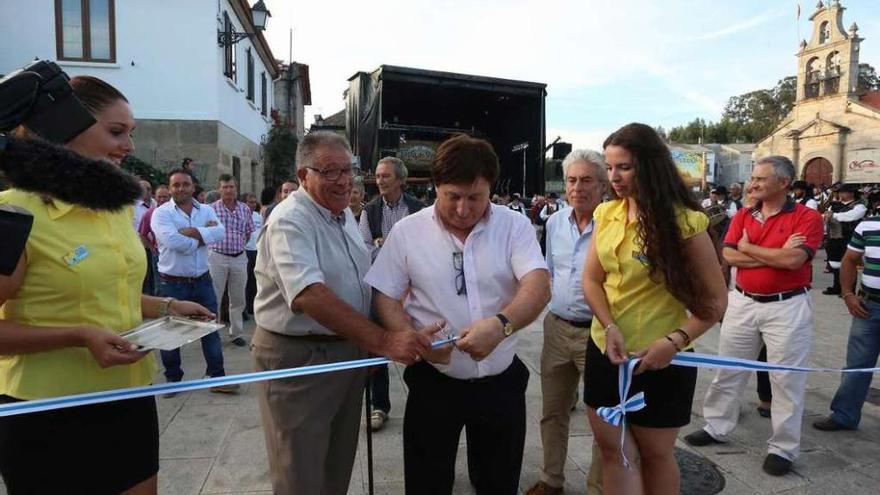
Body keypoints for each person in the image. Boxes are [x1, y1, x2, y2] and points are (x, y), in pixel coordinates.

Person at [0, 76, 213, 495]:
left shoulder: (113, 209)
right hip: (47, 410)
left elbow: (105, 293)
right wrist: (79, 336)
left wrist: (168, 306)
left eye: (131, 134)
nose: (129, 147)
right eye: (116, 132)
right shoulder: (12, 215)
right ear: (62, 131)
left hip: (128, 397)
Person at [252, 131, 439, 495]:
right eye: (329, 171)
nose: (343, 180)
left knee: (336, 467)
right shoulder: (290, 220)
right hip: (302, 360)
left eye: (347, 170)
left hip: (344, 352)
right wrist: (384, 340)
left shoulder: (342, 214)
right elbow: (309, 295)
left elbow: (361, 280)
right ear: (304, 175)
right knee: (301, 476)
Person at [365, 134, 550, 495]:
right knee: (427, 481)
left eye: (475, 198)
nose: (464, 209)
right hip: (435, 379)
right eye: (453, 197)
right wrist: (413, 337)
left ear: (490, 190)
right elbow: (384, 296)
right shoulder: (408, 232)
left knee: (498, 481)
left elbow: (538, 284)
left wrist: (500, 326)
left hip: (500, 380)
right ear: (435, 187)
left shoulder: (513, 226)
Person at [583, 123, 727, 495]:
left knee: (656, 456)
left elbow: (714, 303)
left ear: (650, 166)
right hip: (606, 352)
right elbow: (592, 281)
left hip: (663, 360)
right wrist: (609, 324)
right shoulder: (606, 215)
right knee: (613, 451)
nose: (613, 177)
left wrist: (674, 342)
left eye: (624, 167)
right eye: (610, 167)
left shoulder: (685, 223)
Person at [685, 155, 823, 477]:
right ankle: (716, 425)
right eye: (753, 179)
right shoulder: (745, 214)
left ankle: (783, 448)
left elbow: (794, 261)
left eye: (761, 179)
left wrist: (750, 249)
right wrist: (771, 254)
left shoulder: (807, 218)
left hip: (786, 307)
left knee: (786, 379)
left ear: (784, 183)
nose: (753, 184)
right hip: (743, 303)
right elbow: (728, 254)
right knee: (729, 368)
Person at [525, 150, 605, 495]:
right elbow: (549, 271)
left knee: (603, 419)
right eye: (572, 180)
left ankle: (599, 487)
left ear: (603, 185)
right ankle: (551, 480)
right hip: (557, 328)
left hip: (600, 333)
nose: (577, 187)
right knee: (552, 411)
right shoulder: (555, 222)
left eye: (586, 180)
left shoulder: (616, 226)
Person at [151, 169, 238, 396]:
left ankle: (217, 378)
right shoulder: (161, 214)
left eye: (185, 184)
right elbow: (172, 241)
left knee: (210, 330)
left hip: (202, 280)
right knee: (171, 334)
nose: (181, 188)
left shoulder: (207, 209)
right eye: (176, 185)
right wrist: (202, 237)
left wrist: (190, 232)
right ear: (170, 188)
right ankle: (173, 380)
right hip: (171, 283)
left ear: (193, 186)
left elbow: (220, 233)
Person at [358, 156, 425, 431]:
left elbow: (426, 246)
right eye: (377, 175)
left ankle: (423, 400)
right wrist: (381, 244)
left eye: (385, 176)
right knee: (377, 347)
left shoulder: (418, 208)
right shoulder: (370, 211)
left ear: (400, 180)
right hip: (381, 288)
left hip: (414, 288)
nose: (379, 181)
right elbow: (362, 249)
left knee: (420, 341)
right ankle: (379, 406)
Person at [813, 212, 880, 431]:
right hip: (868, 308)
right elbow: (849, 260)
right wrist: (848, 294)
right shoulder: (869, 225)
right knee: (857, 364)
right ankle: (844, 415)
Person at [208, 174, 254, 346]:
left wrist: (238, 246)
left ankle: (236, 333)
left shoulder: (244, 209)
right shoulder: (211, 209)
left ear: (236, 189)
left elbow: (248, 232)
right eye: (225, 187)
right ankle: (213, 334)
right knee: (215, 296)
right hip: (217, 256)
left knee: (238, 297)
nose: (228, 190)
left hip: (239, 257)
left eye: (231, 187)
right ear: (219, 189)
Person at [823, 183, 867, 295]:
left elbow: (851, 216)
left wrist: (833, 215)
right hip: (834, 237)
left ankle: (849, 291)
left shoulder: (859, 206)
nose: (840, 194)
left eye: (843, 192)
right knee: (835, 263)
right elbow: (826, 217)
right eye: (840, 192)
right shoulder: (834, 205)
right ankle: (837, 287)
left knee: (850, 264)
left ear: (851, 193)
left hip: (850, 238)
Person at [243, 193, 262, 317]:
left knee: (255, 281)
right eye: (250, 202)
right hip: (246, 250)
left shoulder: (257, 216)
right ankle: (244, 307)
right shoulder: (242, 215)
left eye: (254, 202)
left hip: (257, 250)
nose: (252, 205)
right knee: (245, 280)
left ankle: (252, 306)